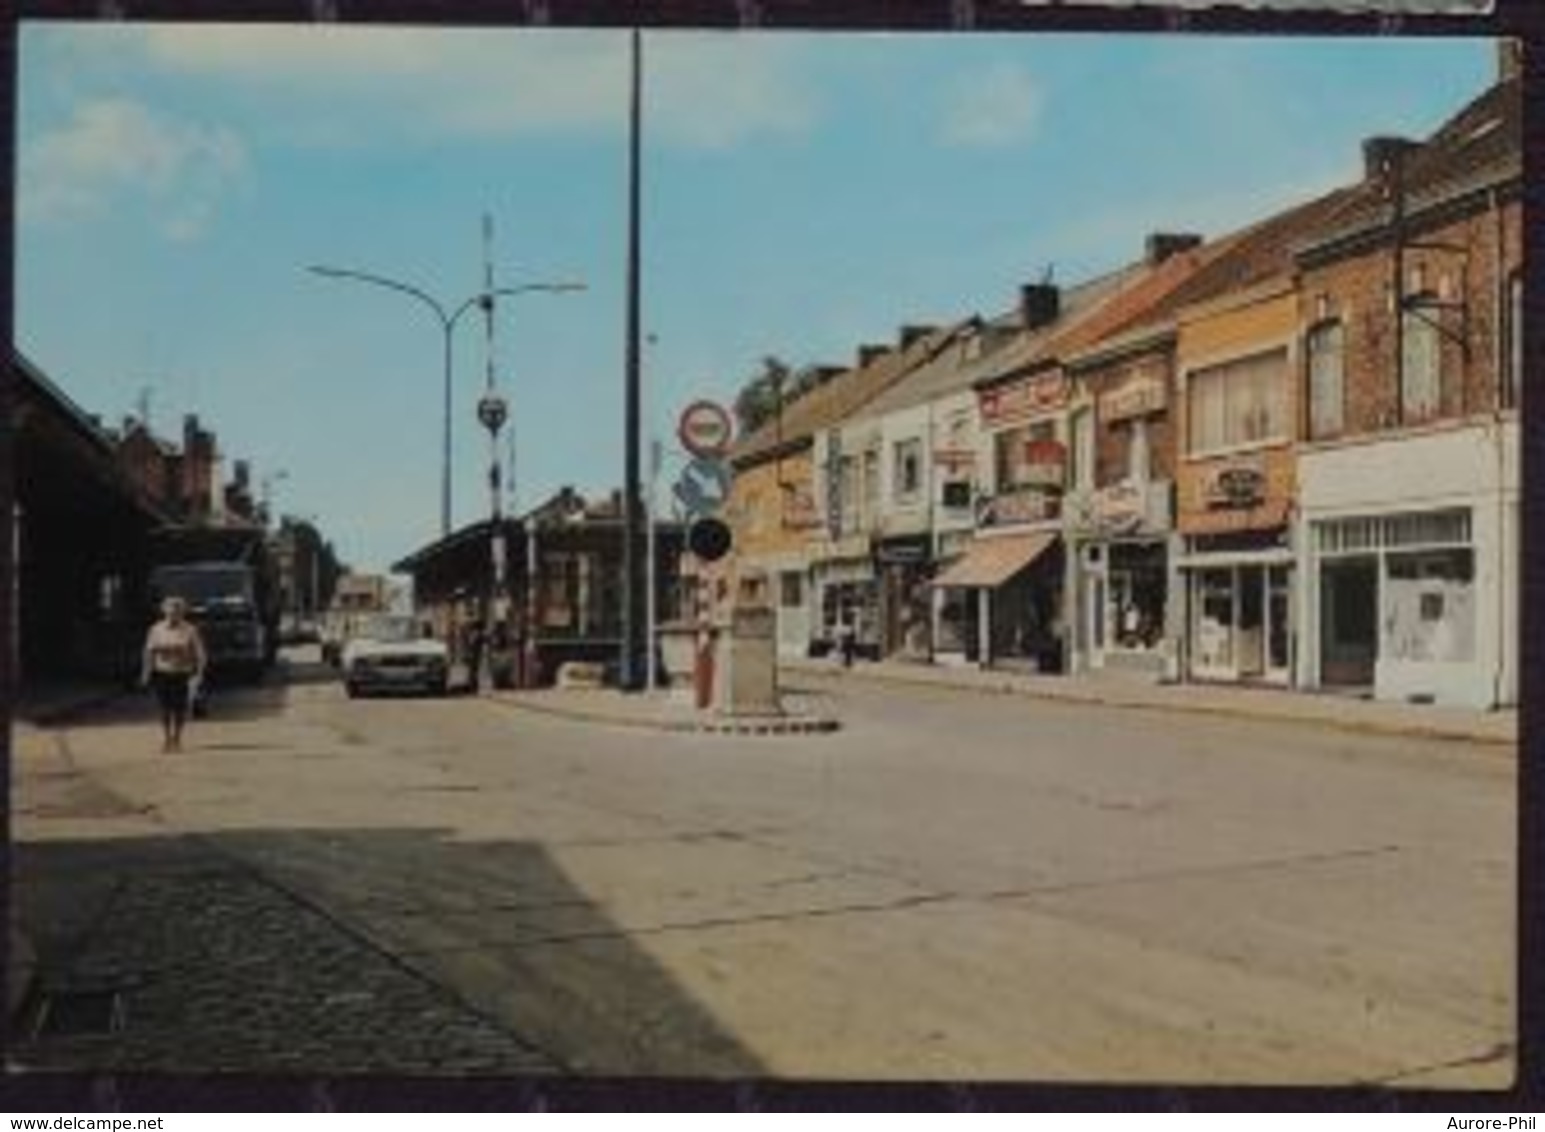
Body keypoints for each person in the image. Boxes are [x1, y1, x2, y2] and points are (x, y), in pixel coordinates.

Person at [140, 596, 207, 753]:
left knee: (179, 708)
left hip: (182, 674)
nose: (173, 613)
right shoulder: (155, 629)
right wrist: (145, 673)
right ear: (164, 611)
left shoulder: (190, 630)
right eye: (170, 610)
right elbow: (148, 653)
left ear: (182, 612)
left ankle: (177, 738)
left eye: (177, 610)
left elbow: (200, 654)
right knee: (164, 708)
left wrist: (199, 673)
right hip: (162, 673)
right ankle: (166, 738)